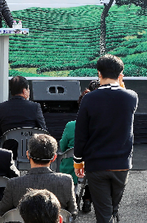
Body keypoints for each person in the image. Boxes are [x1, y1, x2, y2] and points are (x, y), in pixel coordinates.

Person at [74, 54, 138, 223]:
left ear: (99, 74)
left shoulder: (88, 99)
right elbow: (121, 94)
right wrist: (120, 84)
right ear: (121, 74)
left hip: (96, 165)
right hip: (122, 165)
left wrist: (78, 161)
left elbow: (81, 133)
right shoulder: (131, 97)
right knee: (111, 209)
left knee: (104, 213)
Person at [0, 134, 77, 217]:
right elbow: (72, 213)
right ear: (54, 157)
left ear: (28, 155)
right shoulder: (66, 181)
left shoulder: (14, 184)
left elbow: (1, 212)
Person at [59, 80, 99, 213]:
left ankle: (72, 196)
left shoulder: (71, 125)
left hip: (72, 168)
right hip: (93, 168)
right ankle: (87, 199)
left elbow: (62, 146)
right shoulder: (100, 127)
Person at [0, 76, 47, 159]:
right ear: (24, 90)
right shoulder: (35, 107)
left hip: (9, 153)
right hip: (32, 153)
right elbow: (43, 130)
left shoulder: (0, 108)